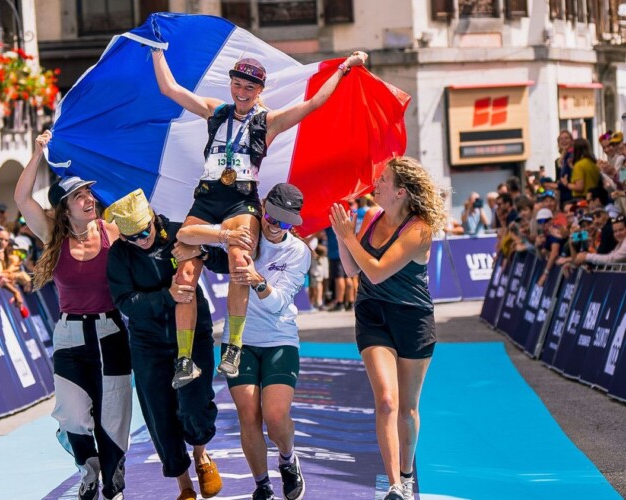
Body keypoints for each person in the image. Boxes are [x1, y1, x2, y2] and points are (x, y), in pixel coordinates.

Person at [151, 45, 368, 385]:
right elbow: (169, 89)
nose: (242, 92)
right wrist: (157, 50)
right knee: (185, 274)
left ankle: (233, 348)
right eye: (237, 85)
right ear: (231, 84)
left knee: (241, 263)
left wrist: (343, 69)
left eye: (249, 88)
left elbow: (314, 103)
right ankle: (184, 358)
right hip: (207, 199)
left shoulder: (269, 121)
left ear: (259, 91)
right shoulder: (215, 111)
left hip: (241, 202)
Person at [14, 130, 132, 500]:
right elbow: (22, 198)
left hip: (110, 331)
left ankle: (112, 481)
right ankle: (89, 470)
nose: (89, 199)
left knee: (113, 415)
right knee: (72, 415)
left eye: (89, 194)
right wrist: (37, 153)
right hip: (70, 336)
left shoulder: (112, 231)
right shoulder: (54, 235)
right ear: (65, 208)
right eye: (79, 196)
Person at [177, 183, 310, 500]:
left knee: (275, 417)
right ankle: (262, 485)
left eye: (285, 223)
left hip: (279, 339)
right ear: (262, 208)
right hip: (240, 342)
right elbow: (194, 240)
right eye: (272, 218)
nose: (275, 227)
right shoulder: (245, 231)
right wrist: (200, 247)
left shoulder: (298, 252)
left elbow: (279, 303)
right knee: (248, 416)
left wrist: (258, 282)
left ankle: (288, 459)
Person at [328, 156, 446, 500]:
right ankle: (394, 484)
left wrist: (349, 238)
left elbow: (377, 270)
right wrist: (342, 238)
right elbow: (354, 270)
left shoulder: (420, 229)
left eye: (382, 180)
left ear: (400, 192)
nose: (375, 184)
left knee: (407, 409)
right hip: (372, 314)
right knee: (386, 401)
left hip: (413, 319)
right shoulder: (372, 217)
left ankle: (407, 476)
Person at [106, 188, 225, 500]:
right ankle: (184, 484)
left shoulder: (178, 233)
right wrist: (166, 296)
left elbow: (220, 261)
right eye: (133, 237)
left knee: (196, 402)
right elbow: (125, 302)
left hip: (193, 335)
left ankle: (201, 453)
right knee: (160, 414)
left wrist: (205, 250)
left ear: (153, 219)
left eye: (145, 231)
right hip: (149, 343)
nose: (142, 239)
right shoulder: (119, 255)